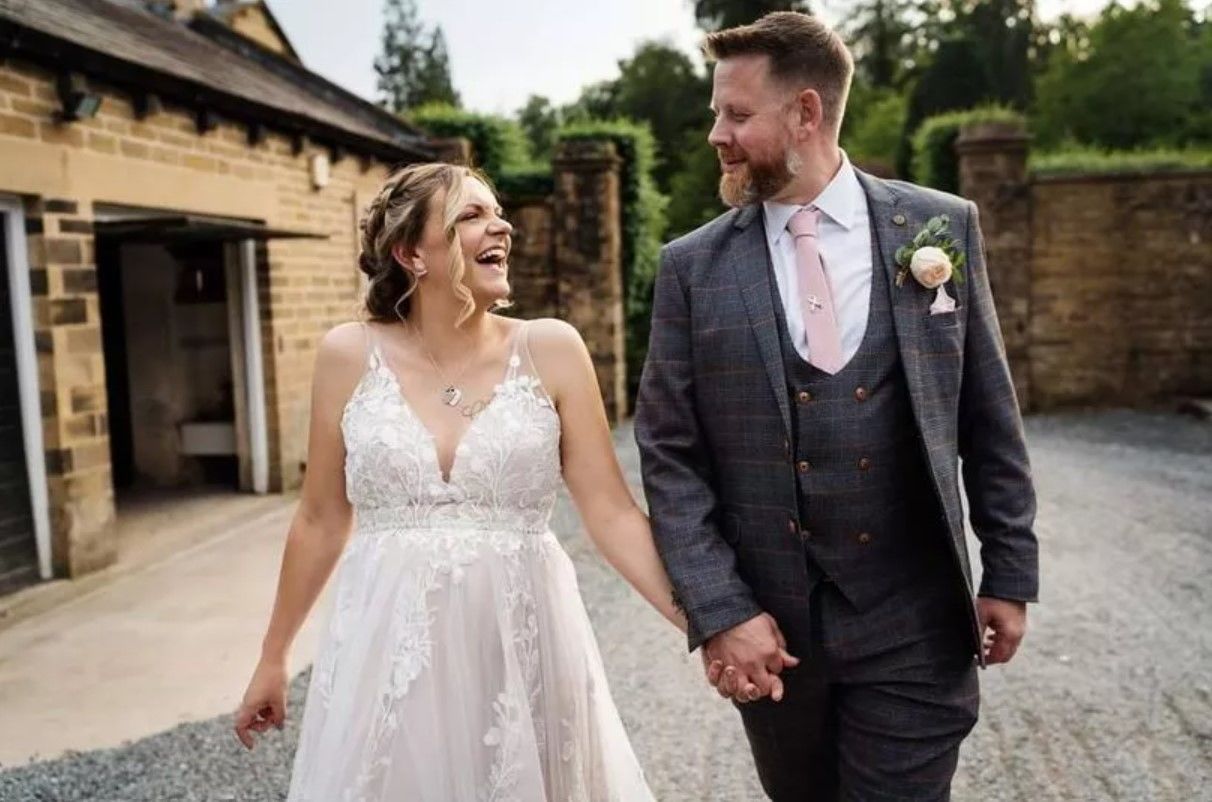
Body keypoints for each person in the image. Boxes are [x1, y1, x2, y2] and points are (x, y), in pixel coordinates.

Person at [634, 11, 1039, 800]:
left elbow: (988, 417)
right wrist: (721, 611)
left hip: (915, 624)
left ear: (807, 113)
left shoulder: (939, 229)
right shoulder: (691, 268)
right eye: (717, 113)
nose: (716, 134)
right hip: (775, 638)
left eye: (737, 114)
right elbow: (669, 457)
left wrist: (1010, 571)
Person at [233, 162, 730, 800]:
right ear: (411, 253)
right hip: (386, 651)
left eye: (497, 213)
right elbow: (320, 519)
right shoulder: (347, 355)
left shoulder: (552, 348)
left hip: (522, 644)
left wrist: (712, 625)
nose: (502, 227)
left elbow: (612, 514)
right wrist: (273, 657)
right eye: (471, 215)